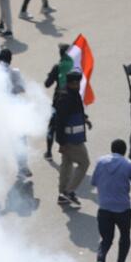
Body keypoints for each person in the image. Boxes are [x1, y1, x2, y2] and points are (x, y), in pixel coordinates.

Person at [89, 140, 131, 262]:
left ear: (111, 149)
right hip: (123, 209)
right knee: (124, 236)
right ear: (124, 151)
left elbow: (93, 182)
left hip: (104, 208)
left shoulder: (100, 162)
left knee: (106, 239)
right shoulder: (128, 164)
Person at [51, 72, 91, 208]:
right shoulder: (66, 98)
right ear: (71, 83)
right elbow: (60, 121)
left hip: (71, 138)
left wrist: (84, 118)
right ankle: (69, 192)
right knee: (84, 163)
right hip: (71, 140)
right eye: (76, 83)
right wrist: (61, 143)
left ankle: (62, 194)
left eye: (79, 82)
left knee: (67, 165)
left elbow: (77, 110)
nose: (78, 85)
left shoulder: (71, 93)